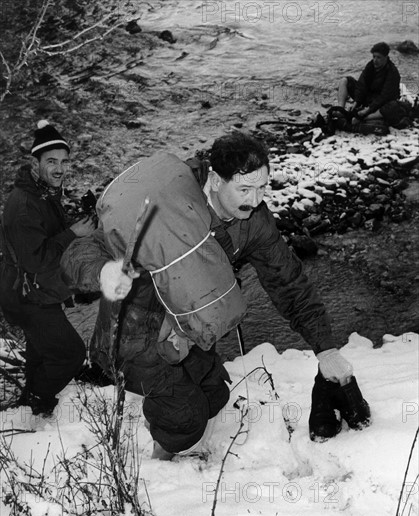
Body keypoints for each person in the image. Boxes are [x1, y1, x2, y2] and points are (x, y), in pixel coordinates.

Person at [61, 132, 371, 459]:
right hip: (136, 331)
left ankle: (171, 423)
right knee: (186, 417)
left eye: (262, 187)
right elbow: (77, 254)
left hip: (188, 327)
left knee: (213, 395)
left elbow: (289, 282)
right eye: (244, 189)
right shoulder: (164, 204)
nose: (254, 200)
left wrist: (326, 349)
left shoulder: (253, 222)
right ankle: (159, 470)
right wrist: (103, 272)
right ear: (214, 180)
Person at [0, 120, 95, 416]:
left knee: (41, 351)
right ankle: (36, 402)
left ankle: (32, 401)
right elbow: (36, 259)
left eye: (64, 162)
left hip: (29, 289)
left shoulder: (41, 190)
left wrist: (74, 221)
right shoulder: (25, 204)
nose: (59, 169)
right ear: (34, 162)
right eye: (51, 161)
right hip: (29, 295)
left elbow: (45, 232)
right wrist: (73, 234)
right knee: (70, 354)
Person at [337, 41, 410, 129]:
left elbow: (385, 96)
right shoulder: (370, 66)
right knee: (345, 80)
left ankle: (366, 118)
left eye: (378, 57)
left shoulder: (392, 72)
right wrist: (356, 102)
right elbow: (361, 85)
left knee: (394, 106)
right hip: (368, 98)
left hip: (381, 104)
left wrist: (367, 110)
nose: (375, 60)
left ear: (386, 57)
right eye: (374, 56)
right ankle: (340, 109)